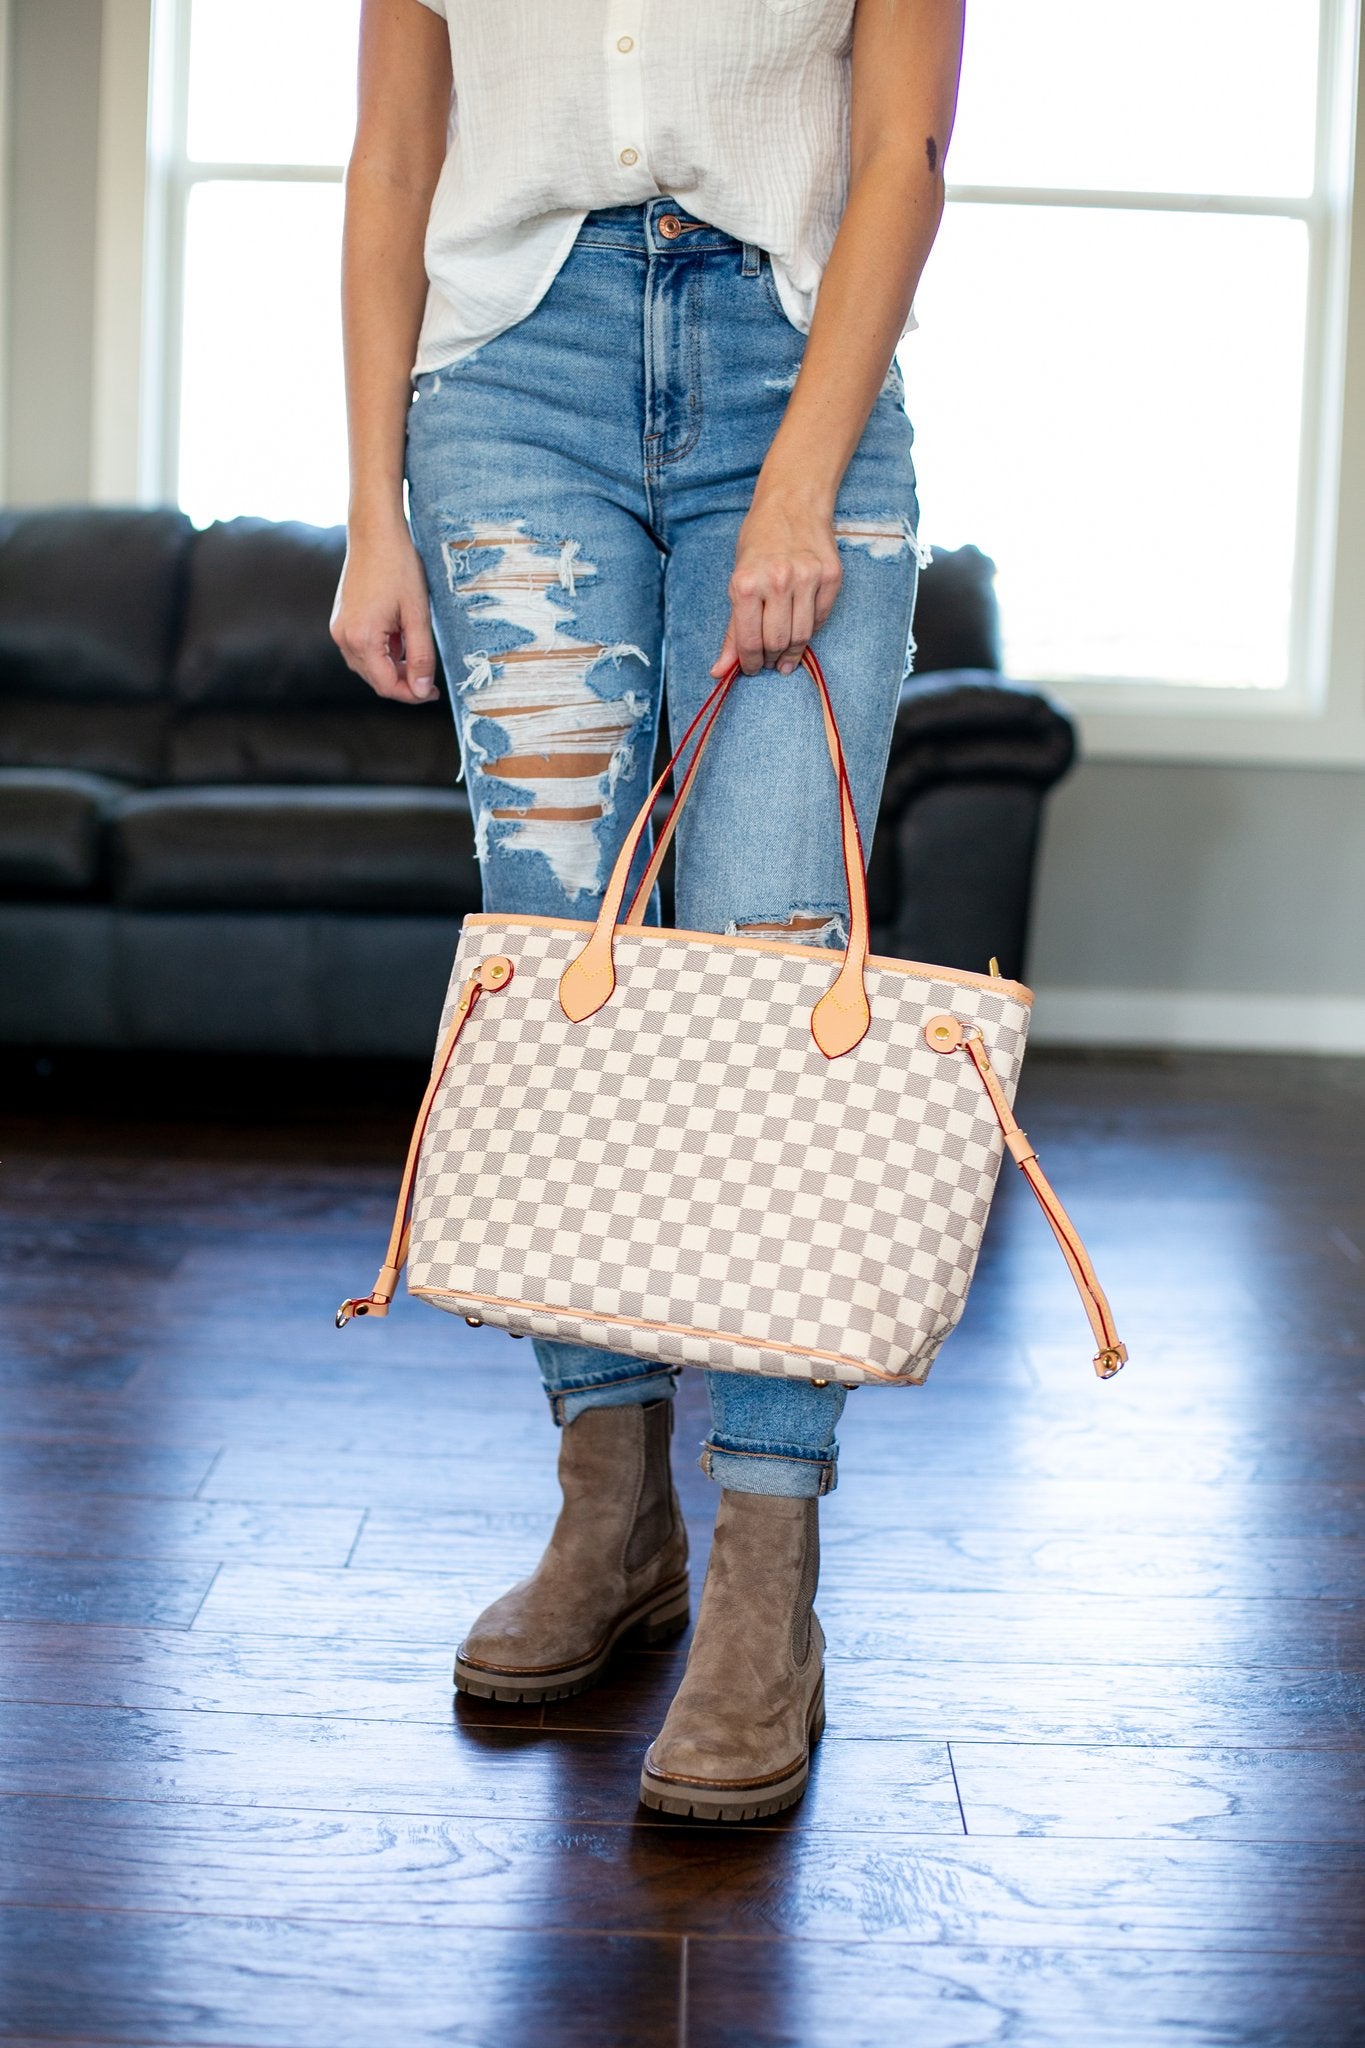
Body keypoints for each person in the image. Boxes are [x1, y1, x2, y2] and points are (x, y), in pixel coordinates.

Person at [332, 0, 966, 1823]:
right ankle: (610, 1511)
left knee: (776, 977)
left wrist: (799, 482)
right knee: (558, 978)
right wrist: (368, 506)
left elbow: (900, 156)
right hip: (507, 390)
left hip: (797, 360)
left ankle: (767, 1566)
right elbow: (394, 158)